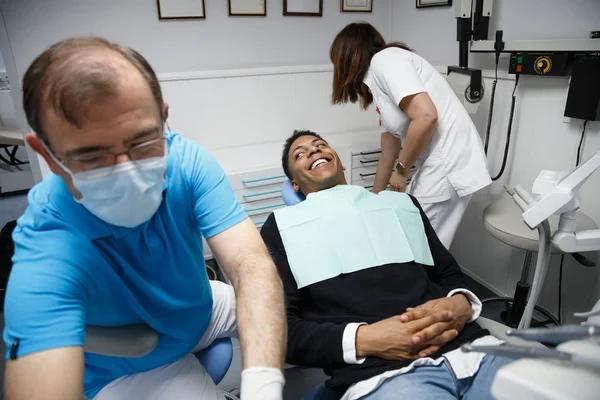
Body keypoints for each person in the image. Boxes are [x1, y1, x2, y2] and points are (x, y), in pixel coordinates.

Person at [3, 37, 286, 400]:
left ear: (163, 118)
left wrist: (263, 385)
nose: (128, 172)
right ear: (47, 154)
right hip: (132, 368)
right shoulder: (47, 245)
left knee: (283, 306)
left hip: (196, 310)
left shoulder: (185, 161)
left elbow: (251, 265)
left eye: (143, 142)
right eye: (92, 157)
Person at [259, 130, 510, 400]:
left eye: (320, 145)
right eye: (300, 153)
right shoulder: (281, 229)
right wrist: (365, 339)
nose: (314, 151)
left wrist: (461, 302)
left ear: (341, 163)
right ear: (294, 184)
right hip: (383, 376)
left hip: (471, 349)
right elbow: (279, 329)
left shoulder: (402, 206)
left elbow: (448, 273)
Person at [329, 22, 492, 249]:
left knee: (419, 241)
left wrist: (402, 169)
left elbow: (426, 117)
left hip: (448, 162)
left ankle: (427, 283)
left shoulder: (386, 60)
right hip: (438, 163)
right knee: (416, 234)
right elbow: (389, 152)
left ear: (348, 55)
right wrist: (374, 198)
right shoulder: (378, 85)